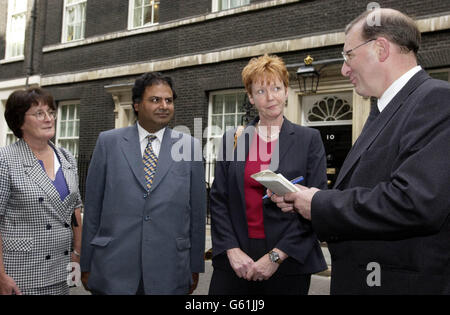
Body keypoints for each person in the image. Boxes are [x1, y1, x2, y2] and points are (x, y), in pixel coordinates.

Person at [271, 8, 450, 294]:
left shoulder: (437, 100)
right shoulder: (383, 109)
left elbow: (414, 202)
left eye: (348, 55)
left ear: (380, 48)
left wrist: (319, 204)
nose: (344, 69)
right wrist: (305, 201)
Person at [208, 54, 327, 295]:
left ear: (286, 91)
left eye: (276, 88)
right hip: (235, 262)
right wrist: (231, 249)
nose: (271, 97)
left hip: (288, 261)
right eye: (261, 91)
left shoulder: (309, 140)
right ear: (251, 97)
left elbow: (316, 204)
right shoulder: (234, 139)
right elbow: (219, 199)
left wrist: (275, 257)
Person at [80, 72, 206, 295]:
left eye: (169, 100)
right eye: (155, 100)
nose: (164, 106)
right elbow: (92, 210)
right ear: (137, 105)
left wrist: (195, 265)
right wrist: (87, 263)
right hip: (113, 269)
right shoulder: (108, 143)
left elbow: (197, 213)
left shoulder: (190, 146)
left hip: (170, 271)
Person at [0, 88, 83, 295]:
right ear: (20, 121)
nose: (49, 119)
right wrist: (1, 275)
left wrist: (77, 254)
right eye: (39, 113)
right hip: (21, 273)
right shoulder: (6, 160)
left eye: (51, 112)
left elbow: (75, 210)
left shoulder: (67, 158)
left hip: (61, 269)